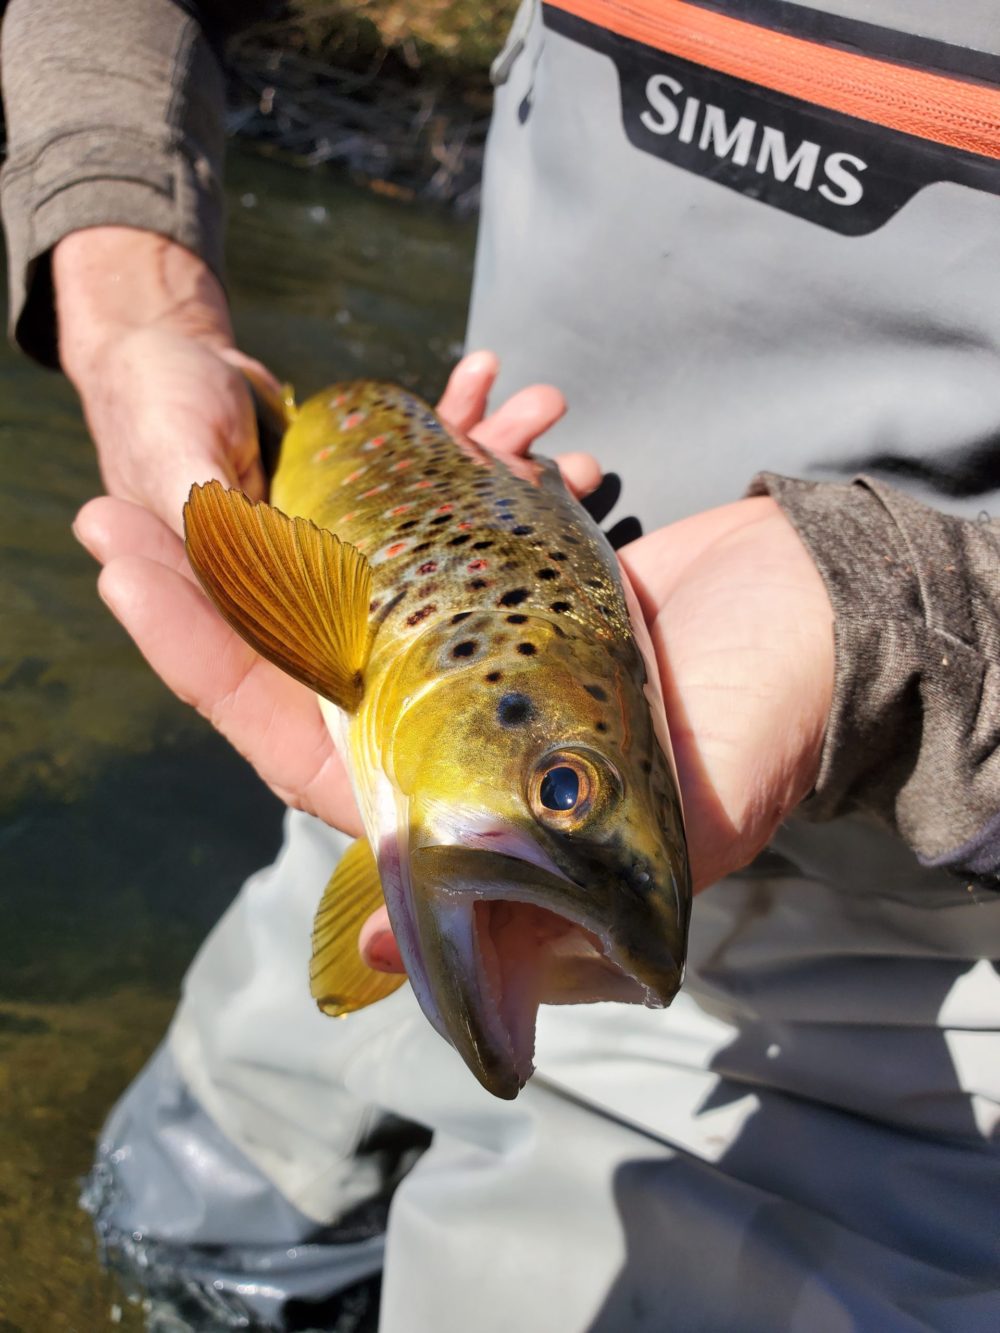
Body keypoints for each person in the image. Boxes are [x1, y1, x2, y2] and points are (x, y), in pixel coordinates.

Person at [3, 1, 999, 1329]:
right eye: (568, 789)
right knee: (176, 1222)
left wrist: (890, 620)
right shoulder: (455, 756)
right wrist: (133, 293)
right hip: (402, 764)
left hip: (923, 945)